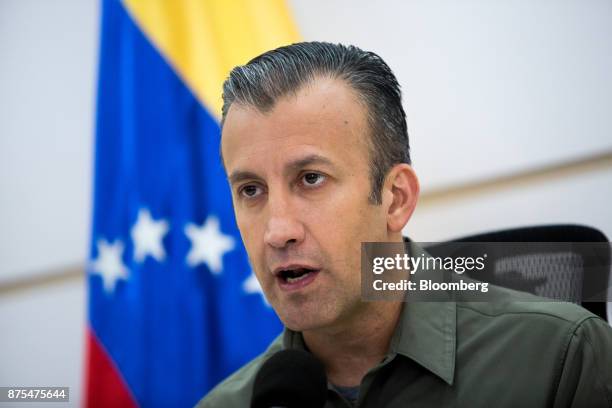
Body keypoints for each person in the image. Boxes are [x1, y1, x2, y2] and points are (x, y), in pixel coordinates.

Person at [197, 42, 612, 407]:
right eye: (251, 190)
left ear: (396, 198)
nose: (277, 231)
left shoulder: (562, 358)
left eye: (311, 179)